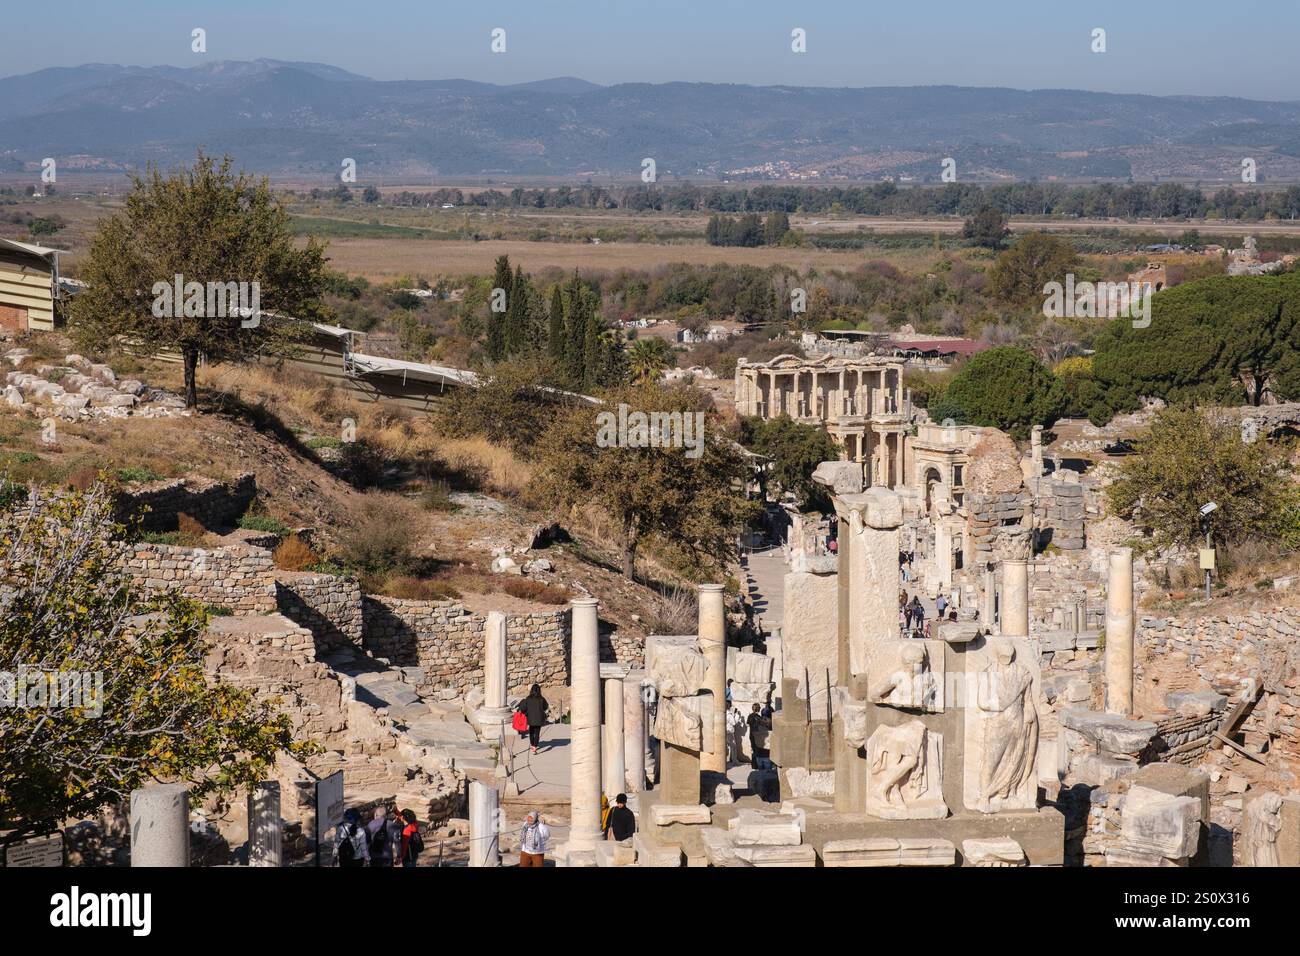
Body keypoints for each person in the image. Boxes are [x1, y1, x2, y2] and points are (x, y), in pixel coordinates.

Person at [517, 684, 549, 754]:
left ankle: (532, 744)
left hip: (530, 719)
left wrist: (520, 710)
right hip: (539, 719)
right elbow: (545, 707)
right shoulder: (541, 699)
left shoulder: (528, 699)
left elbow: (523, 708)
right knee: (537, 733)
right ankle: (535, 746)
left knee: (531, 732)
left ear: (531, 690)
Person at [747, 703, 771, 769]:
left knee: (753, 749)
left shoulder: (750, 716)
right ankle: (757, 765)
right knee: (757, 749)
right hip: (758, 736)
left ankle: (754, 765)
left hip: (751, 735)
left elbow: (748, 724)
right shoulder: (759, 718)